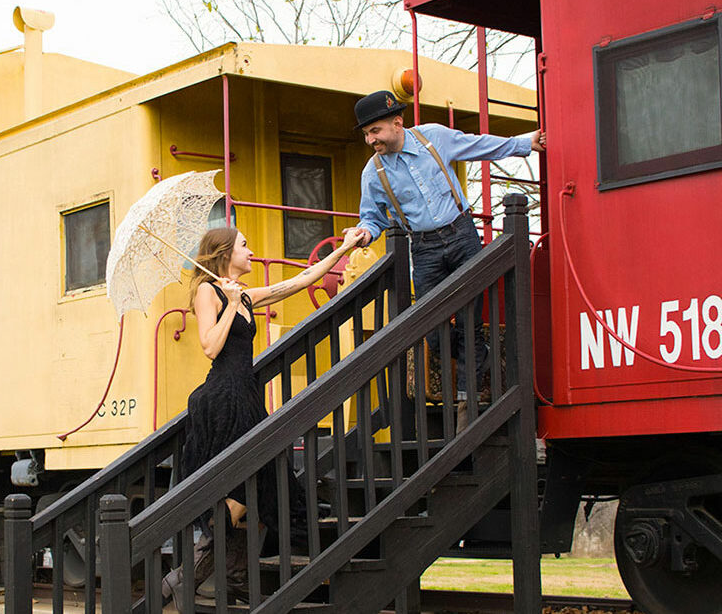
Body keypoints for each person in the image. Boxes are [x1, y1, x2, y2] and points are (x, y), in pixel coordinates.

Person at [162, 226, 364, 610]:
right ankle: (184, 577)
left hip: (247, 398)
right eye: (245, 245)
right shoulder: (209, 291)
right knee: (240, 489)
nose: (252, 251)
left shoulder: (247, 297)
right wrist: (230, 303)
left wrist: (346, 248)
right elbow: (209, 346)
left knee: (255, 487)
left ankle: (223, 574)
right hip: (222, 399)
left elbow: (303, 279)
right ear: (224, 253)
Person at [344, 90, 543, 430]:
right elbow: (372, 217)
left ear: (396, 123)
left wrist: (524, 144)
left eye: (374, 131)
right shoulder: (372, 172)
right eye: (365, 134)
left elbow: (479, 146)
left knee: (468, 322)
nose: (369, 140)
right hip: (424, 249)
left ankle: (466, 404)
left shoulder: (433, 138)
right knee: (431, 328)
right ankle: (478, 358)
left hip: (462, 235)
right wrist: (364, 233)